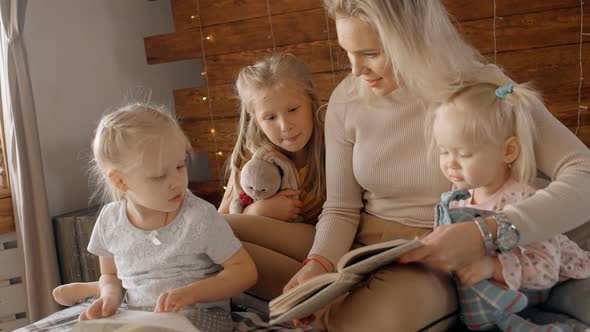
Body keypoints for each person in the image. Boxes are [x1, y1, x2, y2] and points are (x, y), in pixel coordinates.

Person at [284, 0, 590, 330]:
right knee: (235, 234)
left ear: (415, 38)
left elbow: (583, 173)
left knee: (373, 322)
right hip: (362, 245)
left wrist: (487, 233)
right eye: (348, 52)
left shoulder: (483, 88)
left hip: (431, 253)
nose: (356, 70)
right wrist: (318, 262)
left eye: (371, 53)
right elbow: (341, 207)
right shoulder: (347, 97)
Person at [52, 104, 257, 332]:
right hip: (140, 321)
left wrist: (191, 293)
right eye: (159, 176)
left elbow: (244, 271)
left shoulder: (199, 216)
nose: (177, 181)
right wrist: (109, 297)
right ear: (121, 182)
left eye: (180, 166)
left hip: (198, 319)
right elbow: (110, 275)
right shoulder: (110, 221)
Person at [431, 82, 590, 331]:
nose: (450, 164)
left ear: (508, 151)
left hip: (564, 281)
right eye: (443, 152)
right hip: (515, 294)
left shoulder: (524, 199)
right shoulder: (457, 201)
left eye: (464, 154)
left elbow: (546, 271)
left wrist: (493, 267)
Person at [218, 53, 327, 301]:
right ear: (255, 120)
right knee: (218, 240)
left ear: (310, 102)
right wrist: (256, 213)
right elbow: (220, 218)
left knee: (216, 230)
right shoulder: (253, 158)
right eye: (270, 117)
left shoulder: (332, 143)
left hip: (323, 241)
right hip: (287, 261)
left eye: (293, 109)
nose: (285, 125)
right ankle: (310, 299)